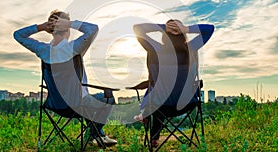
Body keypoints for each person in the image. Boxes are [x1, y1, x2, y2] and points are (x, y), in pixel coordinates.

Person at [13, 9, 117, 146]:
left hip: (55, 105)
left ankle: (99, 135)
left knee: (86, 98)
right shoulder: (74, 48)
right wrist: (70, 23)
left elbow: (18, 35)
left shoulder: (42, 50)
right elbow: (93, 29)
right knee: (107, 97)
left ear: (50, 31)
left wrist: (41, 27)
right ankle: (94, 134)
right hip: (77, 105)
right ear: (67, 30)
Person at [133, 19, 214, 147]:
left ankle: (152, 132)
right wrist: (186, 28)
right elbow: (210, 29)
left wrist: (163, 27)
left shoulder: (155, 48)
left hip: (160, 105)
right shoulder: (191, 48)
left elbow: (137, 28)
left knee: (158, 93)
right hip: (187, 103)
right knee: (161, 93)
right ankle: (152, 131)